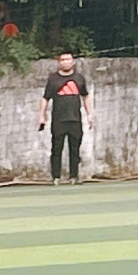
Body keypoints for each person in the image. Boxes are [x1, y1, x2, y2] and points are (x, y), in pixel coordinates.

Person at [38, 51, 94, 184]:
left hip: (75, 119)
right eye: (62, 60)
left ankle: (74, 176)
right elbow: (45, 98)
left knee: (75, 149)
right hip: (58, 120)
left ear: (73, 61)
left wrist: (90, 114)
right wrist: (41, 116)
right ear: (59, 62)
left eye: (68, 59)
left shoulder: (79, 78)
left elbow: (85, 96)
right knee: (56, 148)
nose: (65, 62)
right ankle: (55, 177)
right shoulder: (53, 79)